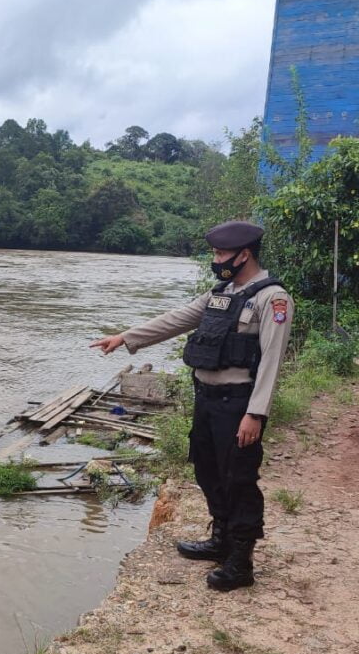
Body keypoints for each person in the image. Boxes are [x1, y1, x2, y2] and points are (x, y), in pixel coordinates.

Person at [90, 221, 293, 592]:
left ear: (243, 254)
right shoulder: (221, 293)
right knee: (207, 470)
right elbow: (176, 319)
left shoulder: (271, 298)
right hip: (208, 400)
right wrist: (124, 338)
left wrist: (256, 413)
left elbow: (272, 361)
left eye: (220, 254)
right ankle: (221, 539)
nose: (216, 260)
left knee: (239, 480)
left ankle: (240, 561)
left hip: (239, 404)